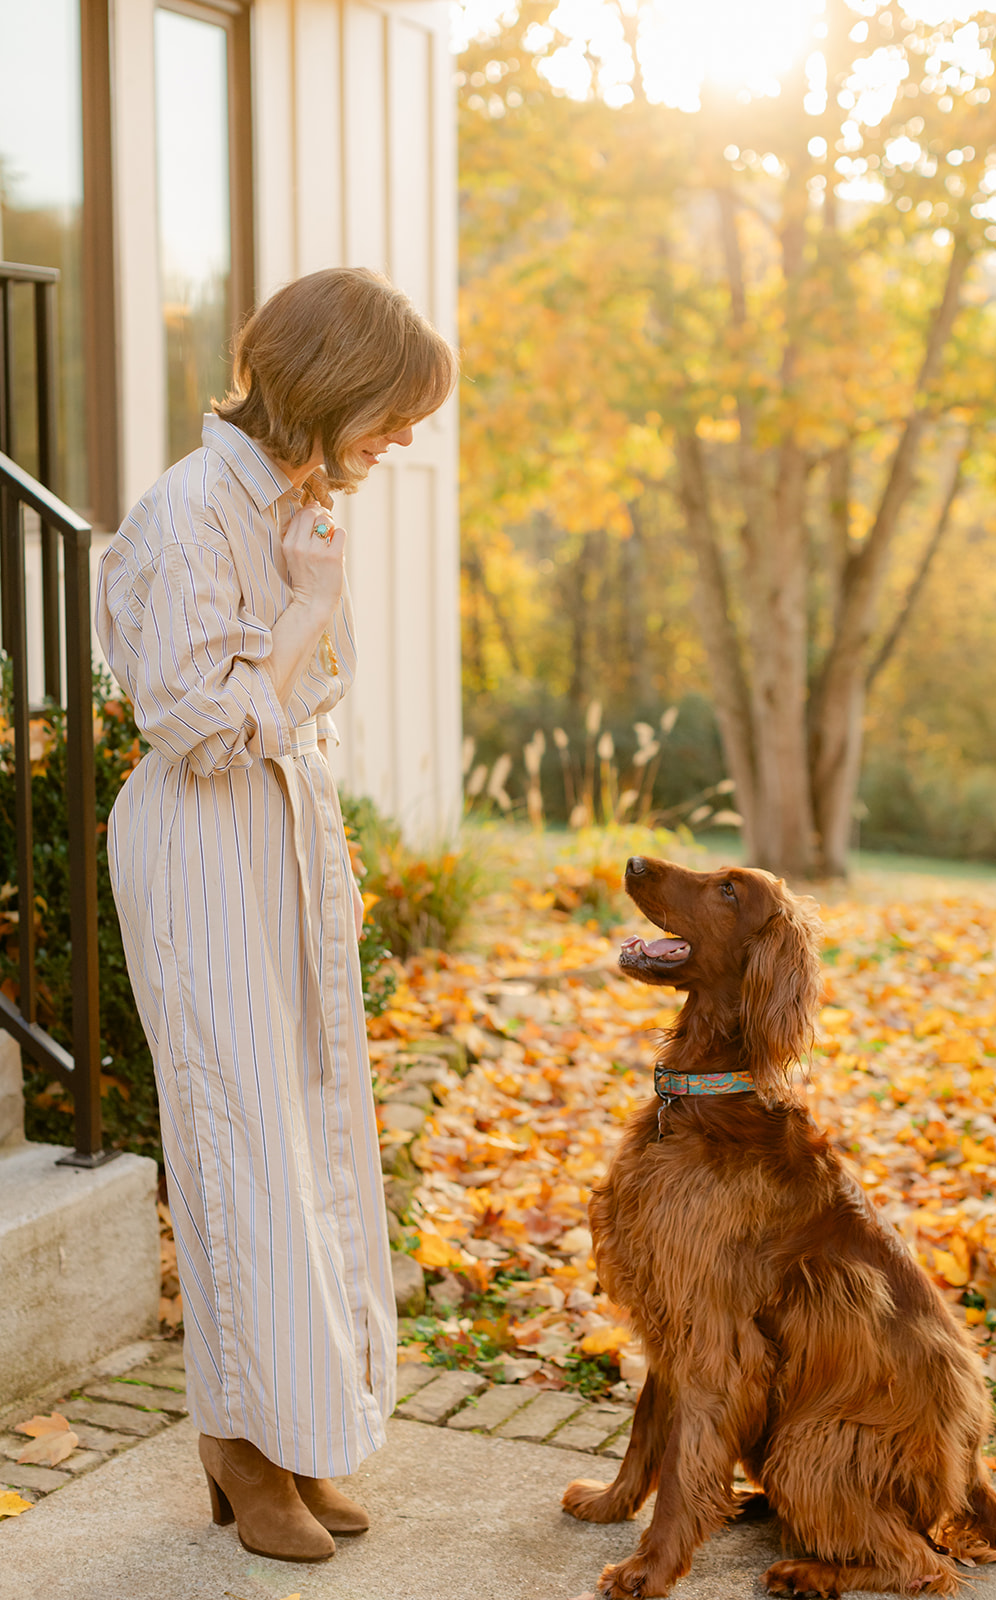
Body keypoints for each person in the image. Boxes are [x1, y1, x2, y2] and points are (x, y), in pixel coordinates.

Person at [96, 267, 457, 1563]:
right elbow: (198, 728)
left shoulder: (292, 506)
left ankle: (291, 1434)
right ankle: (236, 1448)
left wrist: (304, 626)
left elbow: (303, 701)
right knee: (234, 1141)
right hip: (203, 841)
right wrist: (304, 613)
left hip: (278, 835)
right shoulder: (188, 513)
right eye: (394, 412)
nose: (404, 440)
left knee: (305, 1133)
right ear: (330, 386)